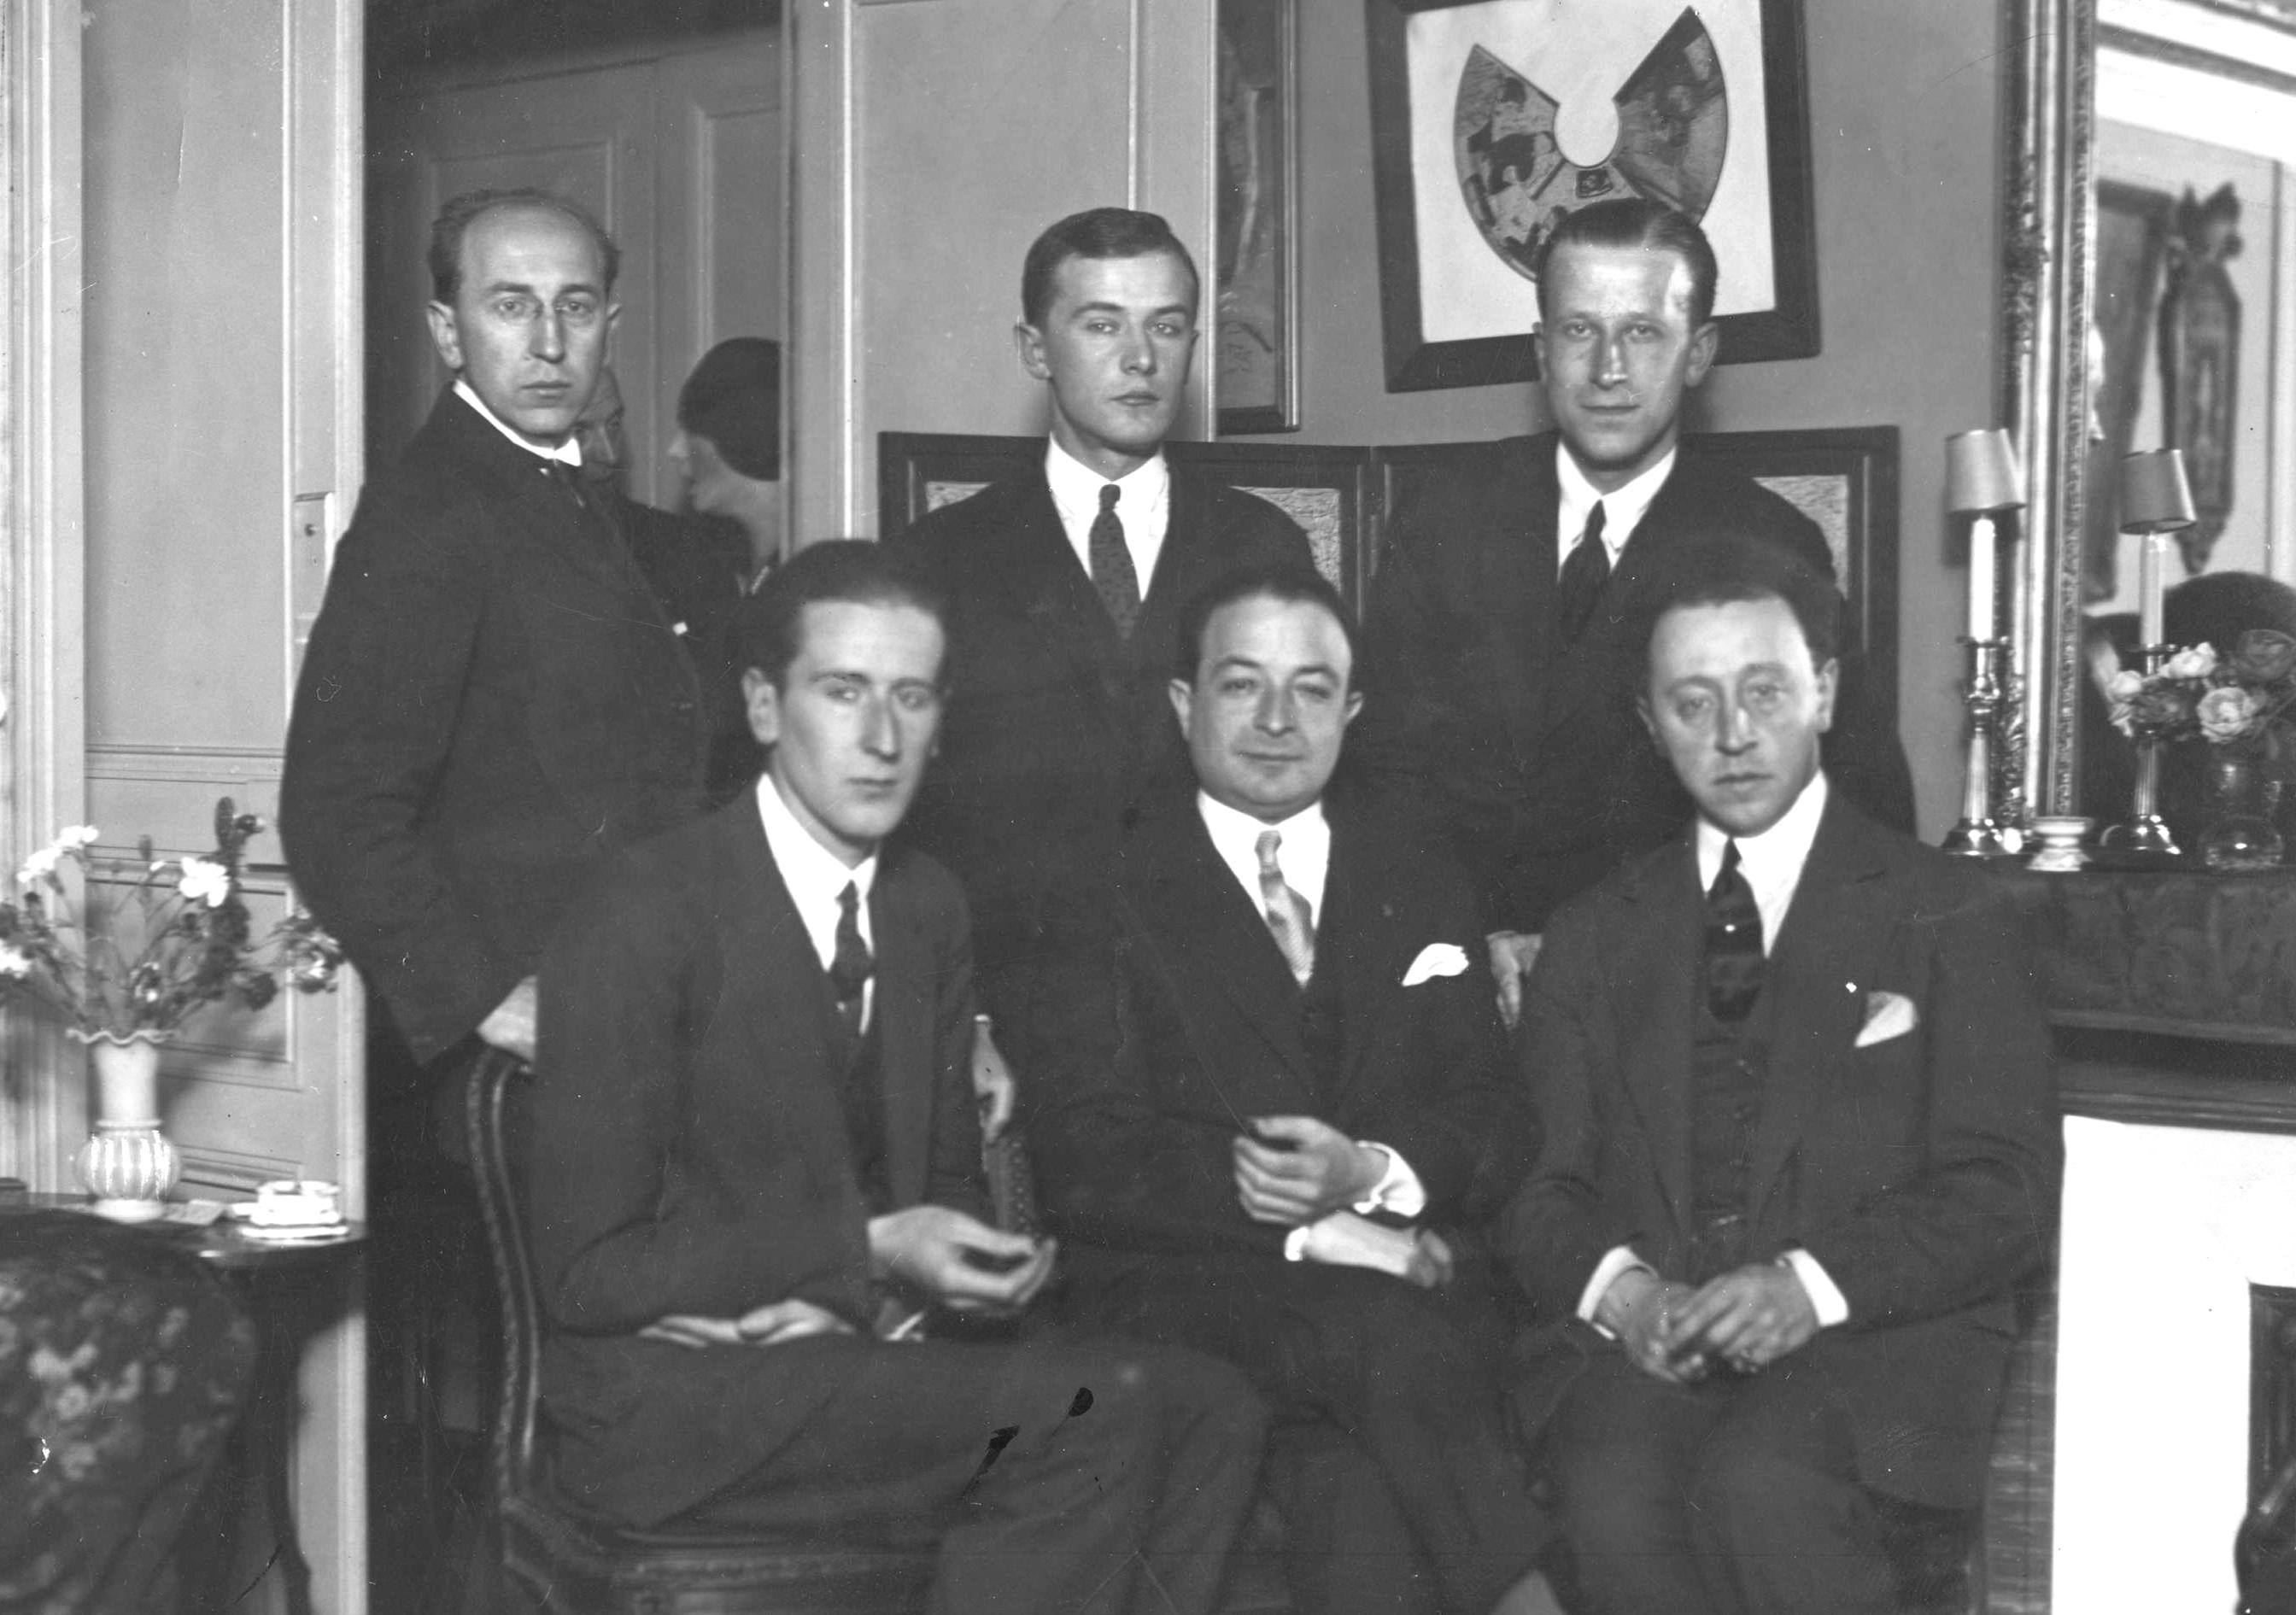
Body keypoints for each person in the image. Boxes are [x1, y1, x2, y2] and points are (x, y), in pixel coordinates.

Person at [525, 541, 1267, 1614]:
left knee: (1218, 1409)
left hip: (856, 1355)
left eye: (912, 698)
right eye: (843, 692)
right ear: (764, 705)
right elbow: (588, 1272)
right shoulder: (644, 908)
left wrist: (932, 1283)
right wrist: (864, 1256)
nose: (882, 739)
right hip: (678, 1401)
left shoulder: (926, 906)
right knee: (1094, 1410)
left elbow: (946, 1191)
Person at [1496, 535, 2061, 1615]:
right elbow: (1536, 1187)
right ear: (1649, 723)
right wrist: (1627, 1296)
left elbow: (2007, 1190)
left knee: (1760, 1484)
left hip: (1871, 1345)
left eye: (1765, 691)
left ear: (1826, 693)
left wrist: (1809, 1287)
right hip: (1658, 1344)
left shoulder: (1954, 911)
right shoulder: (1594, 933)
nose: (1734, 734)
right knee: (1610, 1482)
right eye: (1693, 703)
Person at [1028, 561, 1552, 1615]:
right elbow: (1087, 1153)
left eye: (1312, 689)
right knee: (1394, 1338)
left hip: (1389, 1317)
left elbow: (1496, 1116)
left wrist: (1373, 1173)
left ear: (1351, 711)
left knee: (1355, 1491)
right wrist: (1320, 1230)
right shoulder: (1096, 885)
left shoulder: (1419, 870)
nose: (1277, 719)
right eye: (1242, 684)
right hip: (1182, 1287)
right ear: (1183, 702)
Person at [1358, 197, 1913, 1026]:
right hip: (1452, 982)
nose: (1608, 369)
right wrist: (1472, 940)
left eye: (1643, 333)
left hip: (1666, 1000)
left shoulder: (1767, 543)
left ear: (1699, 353)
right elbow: (1380, 779)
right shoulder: (1445, 517)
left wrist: (1590, 953)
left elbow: (1854, 818)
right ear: (1542, 351)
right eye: (1579, 331)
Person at [281, 185, 706, 1097]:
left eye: (575, 308)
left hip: (632, 1007)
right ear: (448, 332)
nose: (549, 344)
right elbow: (334, 810)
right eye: (511, 307)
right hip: (526, 1058)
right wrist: (488, 1000)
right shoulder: (428, 514)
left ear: (609, 326)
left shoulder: (562, 492)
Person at [890, 206, 1313, 1095]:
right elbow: (912, 825)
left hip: (1228, 1027)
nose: (1140, 359)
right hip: (1018, 1032)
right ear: (1035, 349)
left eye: (1167, 326)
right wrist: (962, 1019)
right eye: (1102, 325)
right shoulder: (941, 560)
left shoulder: (1261, 546)